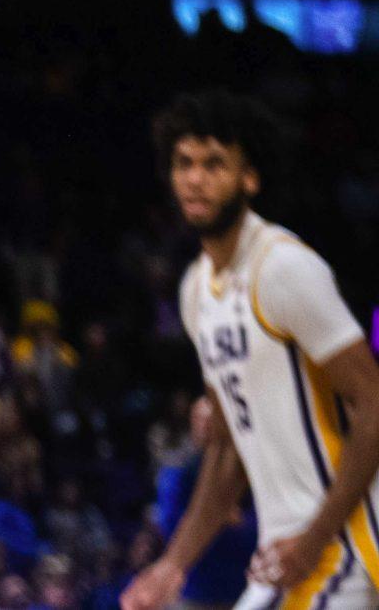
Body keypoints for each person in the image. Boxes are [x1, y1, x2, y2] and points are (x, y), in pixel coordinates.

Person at [122, 93, 379, 610]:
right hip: (284, 553)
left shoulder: (283, 269)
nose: (195, 179)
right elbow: (227, 452)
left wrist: (313, 540)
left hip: (347, 542)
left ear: (250, 178)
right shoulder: (197, 290)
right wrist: (173, 564)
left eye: (214, 164)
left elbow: (374, 404)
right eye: (184, 164)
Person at [151, 396, 257, 610]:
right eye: (199, 419)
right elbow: (170, 525)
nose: (205, 425)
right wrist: (220, 519)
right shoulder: (177, 472)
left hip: (246, 584)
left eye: (212, 419)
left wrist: (233, 522)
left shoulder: (252, 468)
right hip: (197, 590)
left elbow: (266, 521)